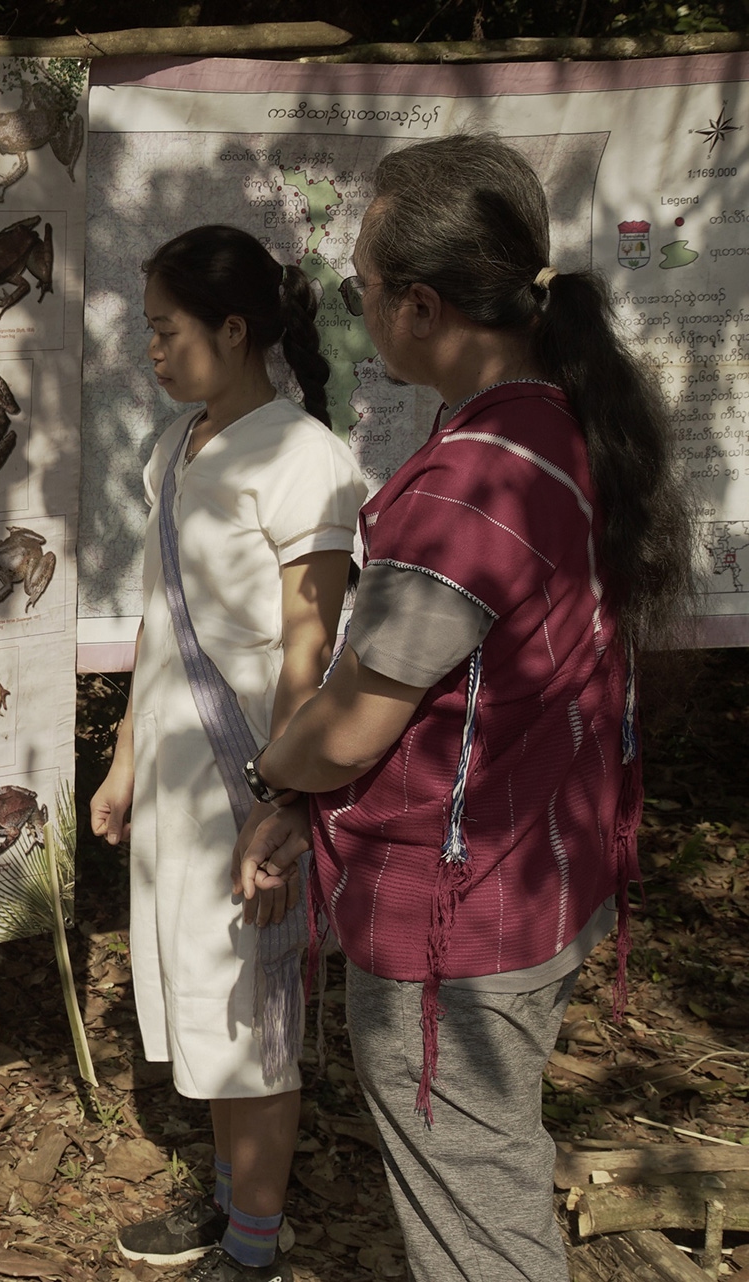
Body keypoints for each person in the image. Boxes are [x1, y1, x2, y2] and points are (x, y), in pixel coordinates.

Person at [235, 134, 693, 1282]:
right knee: (486, 1177)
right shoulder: (561, 421)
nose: (361, 309)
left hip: (457, 924)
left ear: (422, 303)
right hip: (537, 871)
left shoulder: (471, 484)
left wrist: (274, 783)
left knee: (476, 1223)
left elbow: (352, 720)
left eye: (362, 288)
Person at [91, 225, 366, 1282]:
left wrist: (286, 796)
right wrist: (121, 756)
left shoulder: (302, 457)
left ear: (235, 329)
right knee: (205, 991)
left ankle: (255, 1248)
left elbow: (315, 642)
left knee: (252, 1010)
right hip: (175, 778)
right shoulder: (183, 445)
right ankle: (227, 1200)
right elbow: (166, 621)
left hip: (249, 774)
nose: (151, 351)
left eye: (165, 330)